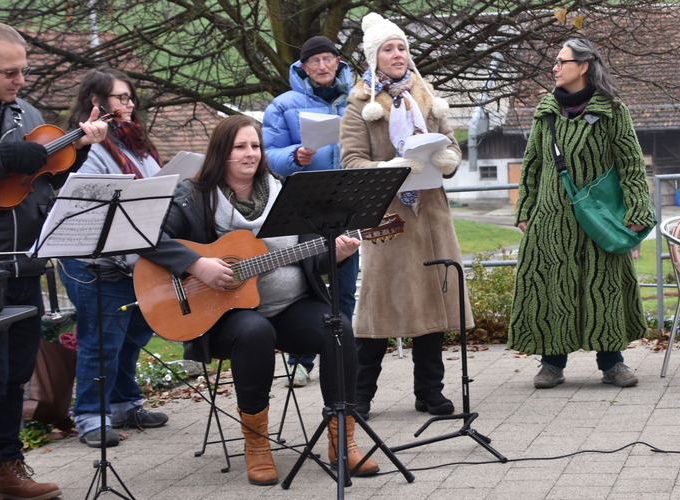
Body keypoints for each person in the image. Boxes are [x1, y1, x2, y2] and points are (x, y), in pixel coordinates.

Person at [137, 115, 378, 484]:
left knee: (339, 327)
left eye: (255, 146)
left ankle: (342, 440)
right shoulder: (194, 197)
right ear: (222, 152)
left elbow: (309, 256)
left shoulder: (286, 192)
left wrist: (338, 253)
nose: (251, 154)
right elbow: (147, 237)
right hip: (223, 316)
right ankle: (257, 444)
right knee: (254, 331)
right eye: (240, 147)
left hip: (291, 307)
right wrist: (197, 264)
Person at [0, 20, 108, 500]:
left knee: (17, 370)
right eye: (11, 72)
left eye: (24, 70)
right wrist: (3, 157)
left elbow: (39, 175)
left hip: (25, 257)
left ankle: (6, 465)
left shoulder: (24, 112)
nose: (21, 80)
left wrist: (75, 154)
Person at [340, 12, 473, 419]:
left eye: (401, 47)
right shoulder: (360, 103)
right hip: (387, 219)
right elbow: (350, 162)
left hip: (431, 214)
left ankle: (429, 392)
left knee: (434, 301)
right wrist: (393, 169)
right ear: (373, 56)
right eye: (388, 48)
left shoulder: (427, 96)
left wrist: (447, 157)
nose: (397, 54)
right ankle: (361, 395)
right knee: (379, 307)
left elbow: (451, 147)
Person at [508, 38, 654, 389]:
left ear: (584, 66)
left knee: (602, 285)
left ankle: (612, 362)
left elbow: (631, 165)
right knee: (552, 286)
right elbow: (532, 166)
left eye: (562, 62)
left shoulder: (612, 110)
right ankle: (552, 363)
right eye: (555, 62)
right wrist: (526, 209)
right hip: (550, 220)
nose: (555, 68)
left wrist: (636, 209)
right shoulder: (546, 113)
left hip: (598, 219)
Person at [57, 67, 169, 449]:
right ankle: (90, 415)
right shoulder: (81, 147)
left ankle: (123, 403)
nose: (129, 104)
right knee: (101, 338)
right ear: (97, 102)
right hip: (91, 260)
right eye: (122, 98)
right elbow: (85, 198)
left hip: (133, 255)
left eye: (130, 97)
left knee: (136, 330)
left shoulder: (134, 142)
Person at [263, 35, 357, 388]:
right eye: (313, 60)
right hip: (303, 209)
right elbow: (269, 154)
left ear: (338, 62)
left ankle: (344, 358)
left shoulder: (357, 102)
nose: (321, 66)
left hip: (348, 206)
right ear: (302, 67)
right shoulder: (282, 105)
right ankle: (301, 359)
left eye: (327, 59)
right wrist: (293, 157)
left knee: (345, 286)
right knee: (308, 284)